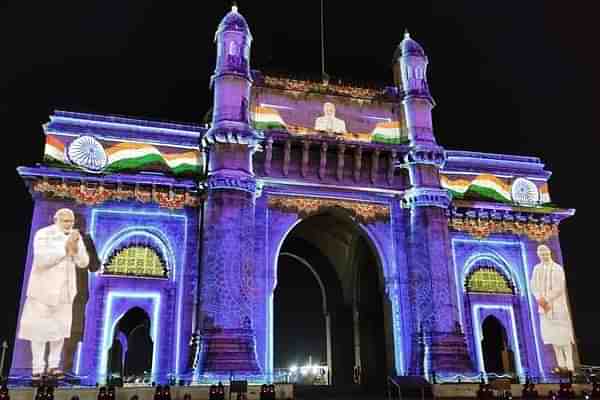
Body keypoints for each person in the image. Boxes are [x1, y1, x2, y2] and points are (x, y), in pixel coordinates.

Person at [17, 208, 90, 379]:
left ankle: (54, 366)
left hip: (65, 292)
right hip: (43, 291)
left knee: (60, 331)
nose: (68, 224)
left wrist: (77, 247)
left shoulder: (74, 237)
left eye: (71, 221)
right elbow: (42, 260)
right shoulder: (44, 234)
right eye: (65, 220)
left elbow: (83, 262)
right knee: (39, 331)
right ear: (56, 219)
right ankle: (37, 368)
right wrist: (66, 249)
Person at [530, 244, 575, 372]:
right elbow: (533, 285)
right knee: (553, 336)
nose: (544, 256)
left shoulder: (557, 268)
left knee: (563, 335)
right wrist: (539, 298)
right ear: (538, 256)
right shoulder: (537, 269)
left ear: (550, 253)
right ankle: (561, 364)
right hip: (544, 307)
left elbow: (560, 287)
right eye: (542, 255)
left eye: (546, 254)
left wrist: (547, 299)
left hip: (557, 306)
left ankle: (570, 364)